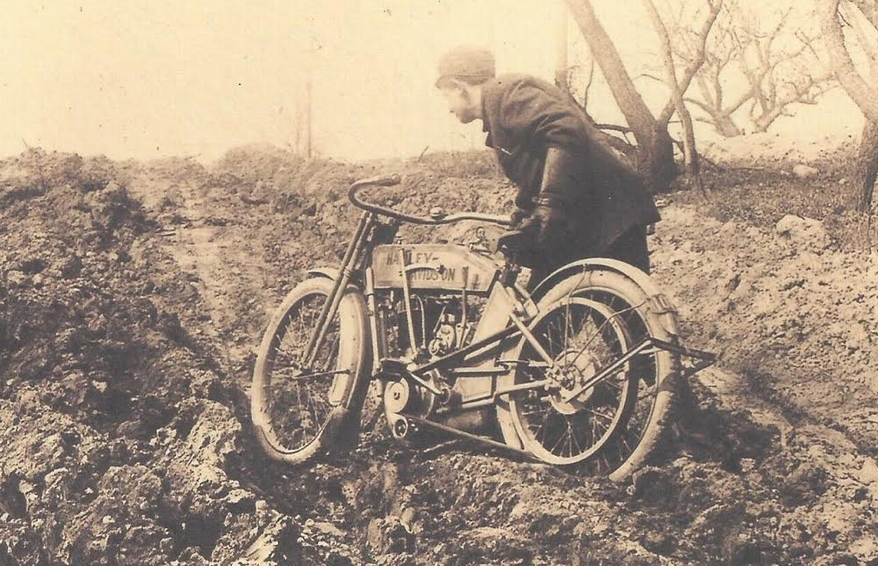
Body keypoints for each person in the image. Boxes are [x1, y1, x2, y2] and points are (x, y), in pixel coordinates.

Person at [435, 45, 661, 285]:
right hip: (591, 216)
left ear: (459, 88)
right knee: (550, 310)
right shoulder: (500, 106)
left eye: (445, 95)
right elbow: (539, 167)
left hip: (608, 214)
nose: (448, 108)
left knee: (626, 311)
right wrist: (525, 212)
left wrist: (549, 202)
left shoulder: (506, 93)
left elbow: (563, 129)